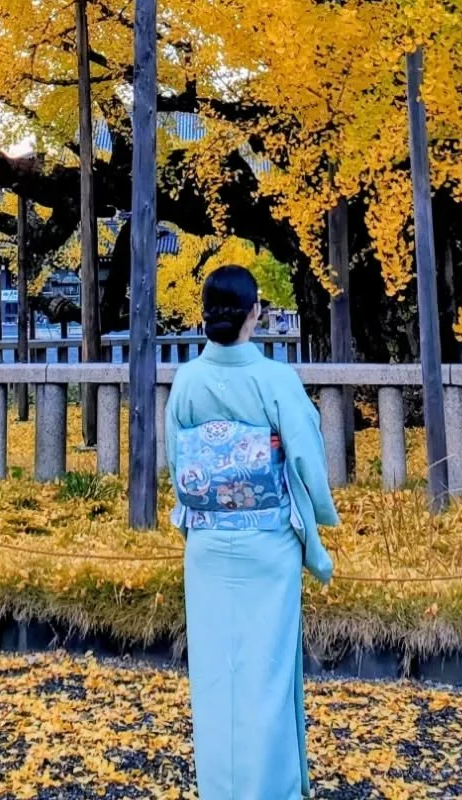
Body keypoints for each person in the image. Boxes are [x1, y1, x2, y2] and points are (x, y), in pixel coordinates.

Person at [166, 265, 339, 800]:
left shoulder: (187, 381)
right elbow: (309, 459)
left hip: (209, 545)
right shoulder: (276, 380)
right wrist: (320, 521)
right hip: (268, 544)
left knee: (216, 677)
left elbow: (179, 465)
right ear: (254, 314)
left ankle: (220, 787)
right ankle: (271, 787)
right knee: (265, 674)